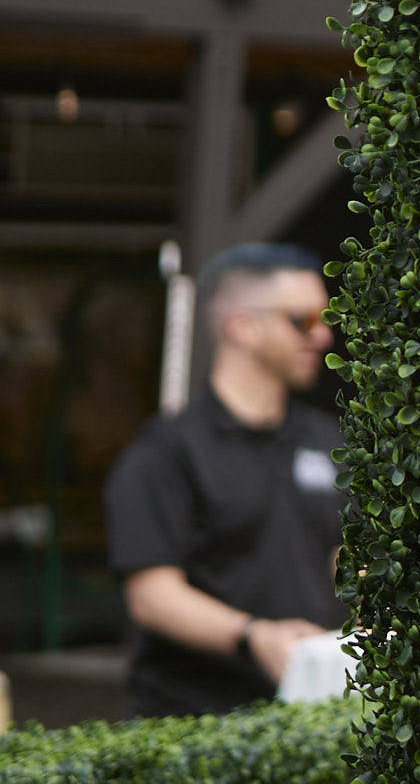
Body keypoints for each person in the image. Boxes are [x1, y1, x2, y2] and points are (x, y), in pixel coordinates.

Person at [105, 243, 346, 718]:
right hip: (197, 721)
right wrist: (253, 636)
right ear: (242, 327)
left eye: (327, 318)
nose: (324, 336)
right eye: (303, 320)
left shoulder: (326, 438)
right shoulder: (167, 450)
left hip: (312, 712)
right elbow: (151, 595)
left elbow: (344, 554)